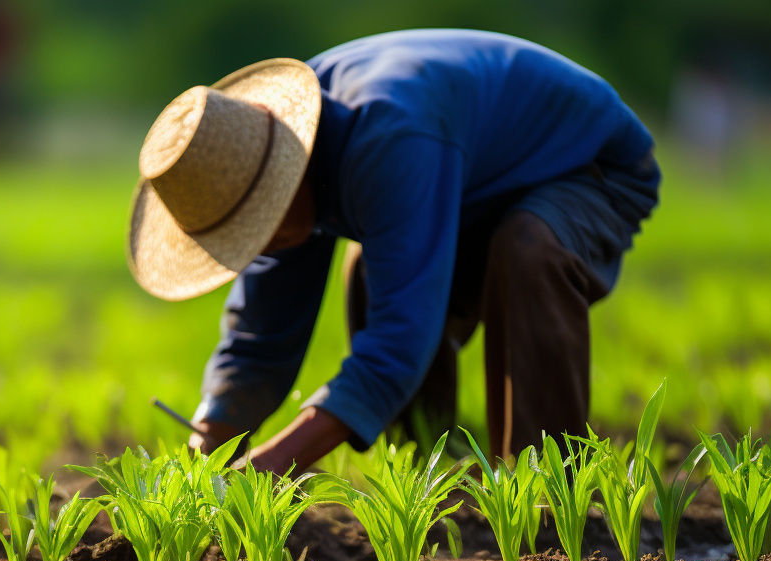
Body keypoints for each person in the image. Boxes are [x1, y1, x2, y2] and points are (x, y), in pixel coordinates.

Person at [126, 30, 660, 473]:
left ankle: (545, 496)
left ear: (285, 181)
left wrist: (269, 466)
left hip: (591, 166)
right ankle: (428, 483)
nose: (254, 249)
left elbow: (397, 343)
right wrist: (204, 456)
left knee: (526, 248)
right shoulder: (265, 154)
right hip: (477, 182)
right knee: (367, 273)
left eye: (255, 229)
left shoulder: (389, 137)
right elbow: (260, 338)